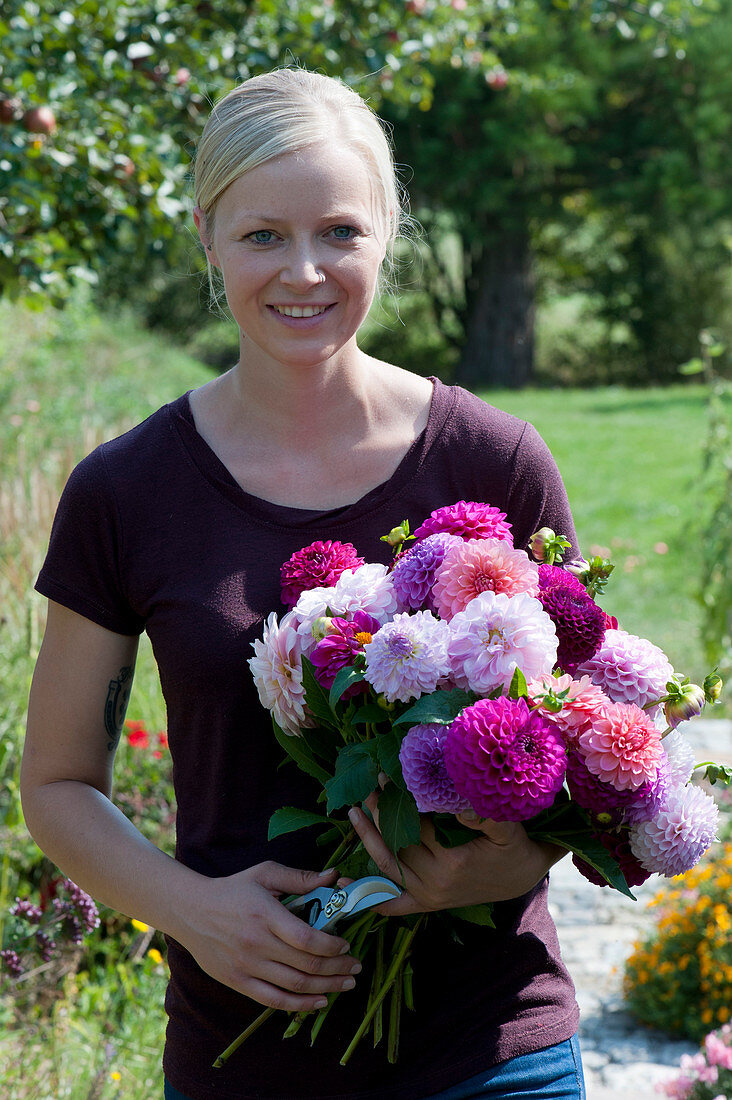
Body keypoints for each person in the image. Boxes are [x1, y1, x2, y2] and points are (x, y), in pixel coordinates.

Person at [22, 68, 586, 1100]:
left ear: (387, 231)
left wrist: (502, 865)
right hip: (242, 1058)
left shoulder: (494, 462)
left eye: (339, 230)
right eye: (262, 235)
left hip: (494, 1050)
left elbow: (584, 744)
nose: (306, 270)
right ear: (207, 236)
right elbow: (57, 782)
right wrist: (190, 908)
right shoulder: (125, 489)